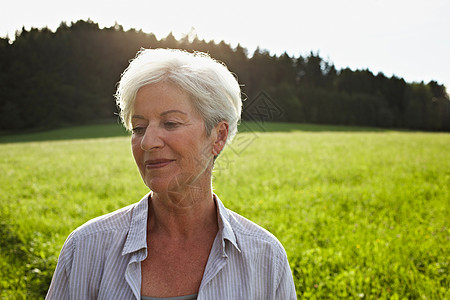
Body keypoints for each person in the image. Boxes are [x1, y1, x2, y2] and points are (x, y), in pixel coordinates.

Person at [46, 48, 296, 299]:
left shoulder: (266, 257)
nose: (148, 142)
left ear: (218, 136)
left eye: (170, 123)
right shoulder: (85, 249)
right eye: (139, 127)